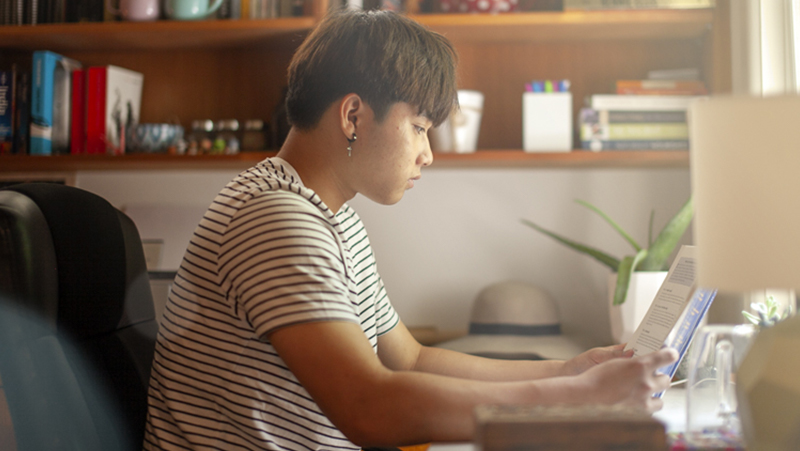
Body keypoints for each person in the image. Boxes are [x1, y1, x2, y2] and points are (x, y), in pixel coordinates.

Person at [142, 9, 677, 451]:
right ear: (353, 116)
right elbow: (369, 410)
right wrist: (578, 399)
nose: (427, 154)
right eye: (419, 128)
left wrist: (570, 372)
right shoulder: (274, 219)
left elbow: (411, 358)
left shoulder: (330, 216)